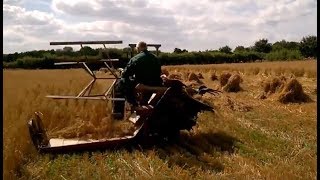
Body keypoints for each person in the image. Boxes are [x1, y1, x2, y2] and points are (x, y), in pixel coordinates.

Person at [112, 41, 162, 119]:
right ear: (146, 48)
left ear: (138, 48)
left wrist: (123, 73)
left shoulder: (136, 58)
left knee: (120, 83)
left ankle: (123, 111)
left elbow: (125, 74)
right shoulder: (155, 58)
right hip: (155, 84)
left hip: (142, 84)